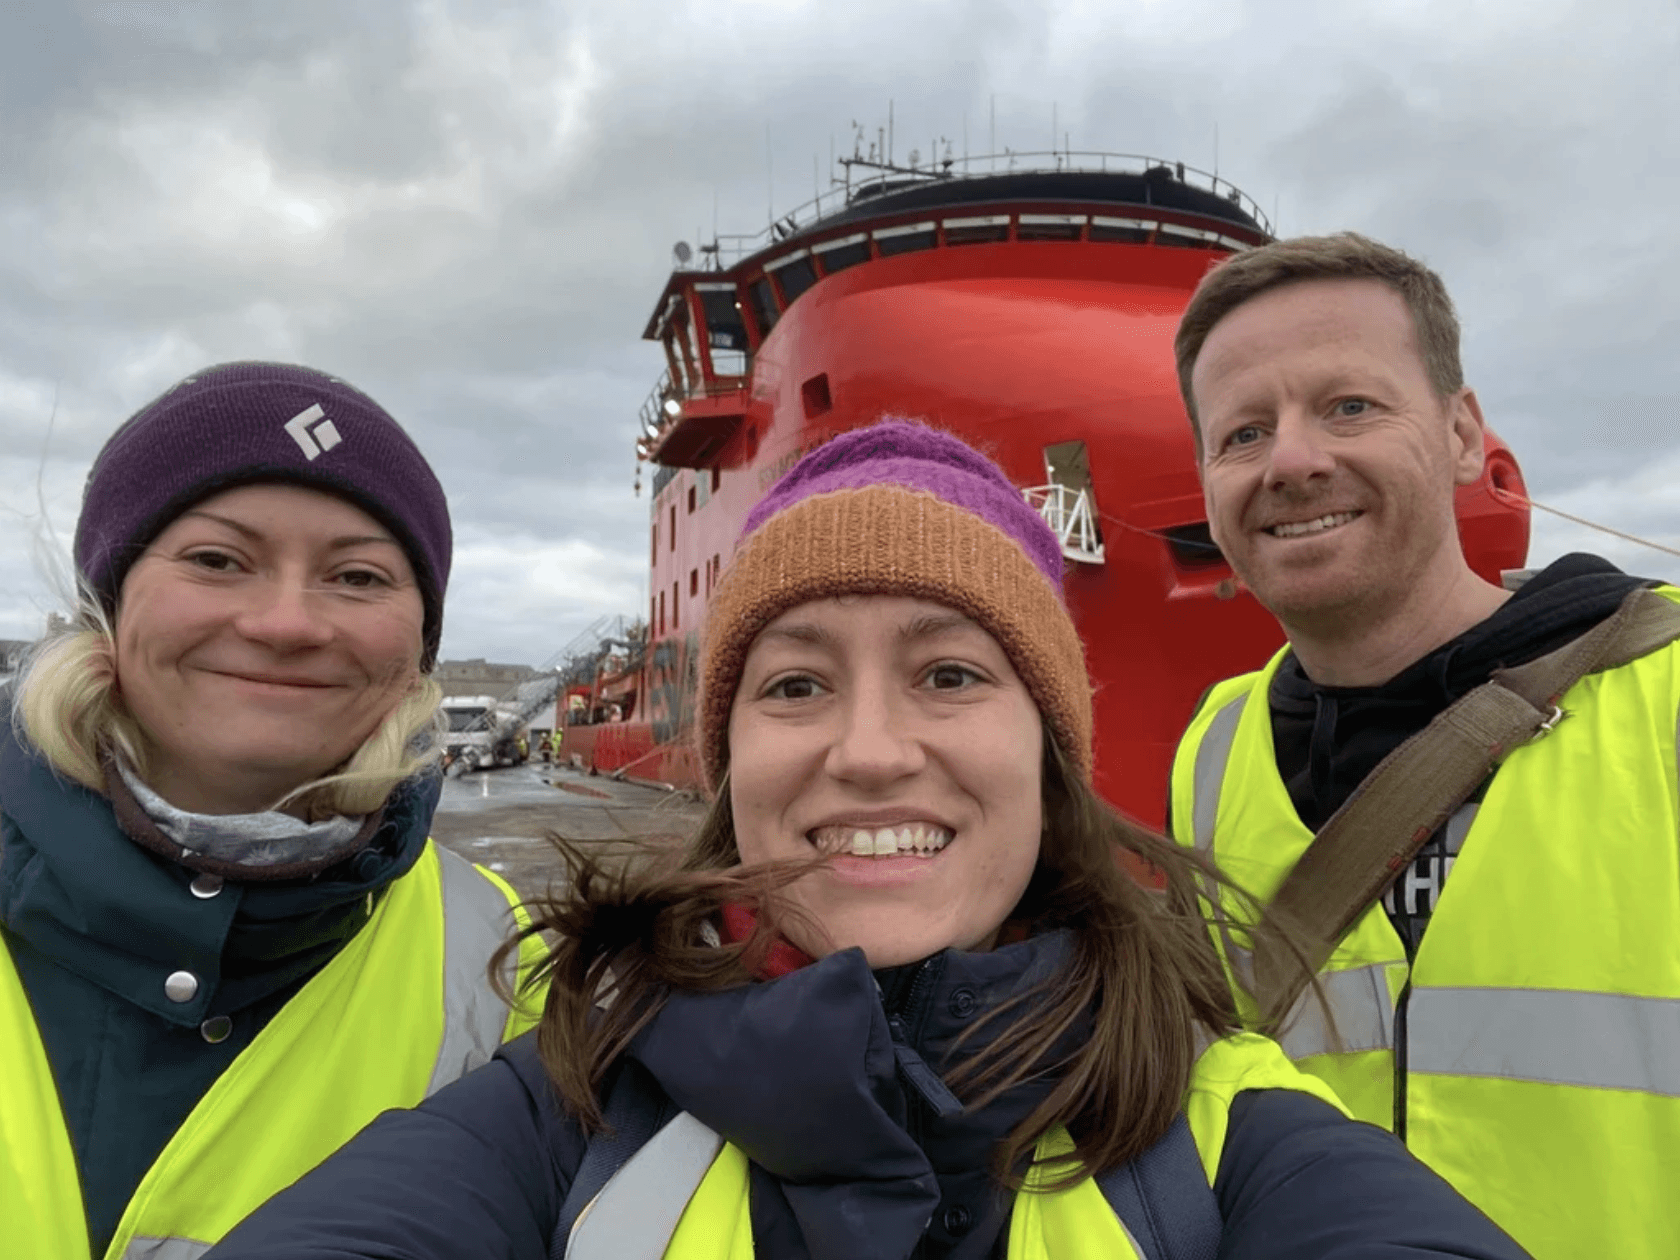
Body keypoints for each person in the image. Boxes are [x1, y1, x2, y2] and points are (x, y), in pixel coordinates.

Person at [207, 420, 1523, 1260]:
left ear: (1050, 749)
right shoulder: (567, 1103)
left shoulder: (1229, 1127)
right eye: (794, 684)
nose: (874, 749)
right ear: (726, 759)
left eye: (952, 674)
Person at [1167, 232, 1679, 1258]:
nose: (1296, 461)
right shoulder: (1211, 750)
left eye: (1350, 406)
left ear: (1460, 432)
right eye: (1244, 433)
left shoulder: (1665, 700)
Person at [1, 361, 546, 1260]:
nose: (287, 623)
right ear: (107, 602)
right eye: (218, 560)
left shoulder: (508, 965)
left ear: (417, 645)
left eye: (359, 577)